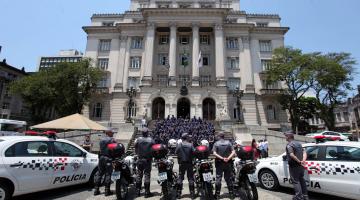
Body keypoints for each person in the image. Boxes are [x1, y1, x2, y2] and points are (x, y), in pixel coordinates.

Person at [285, 132, 308, 200]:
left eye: (286, 136)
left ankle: (298, 197)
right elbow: (304, 152)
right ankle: (305, 195)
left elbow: (291, 155)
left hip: (294, 165)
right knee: (301, 179)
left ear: (289, 137)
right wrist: (303, 161)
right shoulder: (298, 143)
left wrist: (299, 161)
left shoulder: (289, 144)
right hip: (301, 166)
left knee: (296, 181)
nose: (285, 137)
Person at [212, 132, 236, 199]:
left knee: (218, 178)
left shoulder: (216, 143)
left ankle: (217, 195)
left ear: (219, 136)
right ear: (224, 136)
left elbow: (214, 153)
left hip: (219, 163)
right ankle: (231, 194)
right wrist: (228, 158)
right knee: (228, 178)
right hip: (228, 163)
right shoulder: (229, 143)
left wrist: (222, 158)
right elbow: (233, 152)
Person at [94, 130, 116, 196]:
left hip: (101, 158)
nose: (113, 134)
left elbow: (100, 150)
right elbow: (113, 150)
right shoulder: (112, 140)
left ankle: (96, 190)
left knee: (99, 173)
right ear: (108, 133)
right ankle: (107, 191)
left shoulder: (101, 140)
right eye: (112, 133)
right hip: (108, 158)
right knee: (108, 174)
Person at [135, 128, 155, 198]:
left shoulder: (138, 139)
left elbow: (136, 147)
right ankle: (147, 192)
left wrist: (137, 153)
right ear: (147, 133)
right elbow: (154, 148)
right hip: (147, 160)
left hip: (140, 159)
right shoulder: (151, 140)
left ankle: (137, 191)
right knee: (147, 175)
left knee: (139, 175)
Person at [175, 133, 196, 199]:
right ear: (187, 137)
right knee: (190, 178)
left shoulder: (179, 145)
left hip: (181, 163)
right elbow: (194, 152)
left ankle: (178, 193)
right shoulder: (190, 145)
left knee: (180, 177)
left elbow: (176, 152)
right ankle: (192, 194)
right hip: (189, 163)